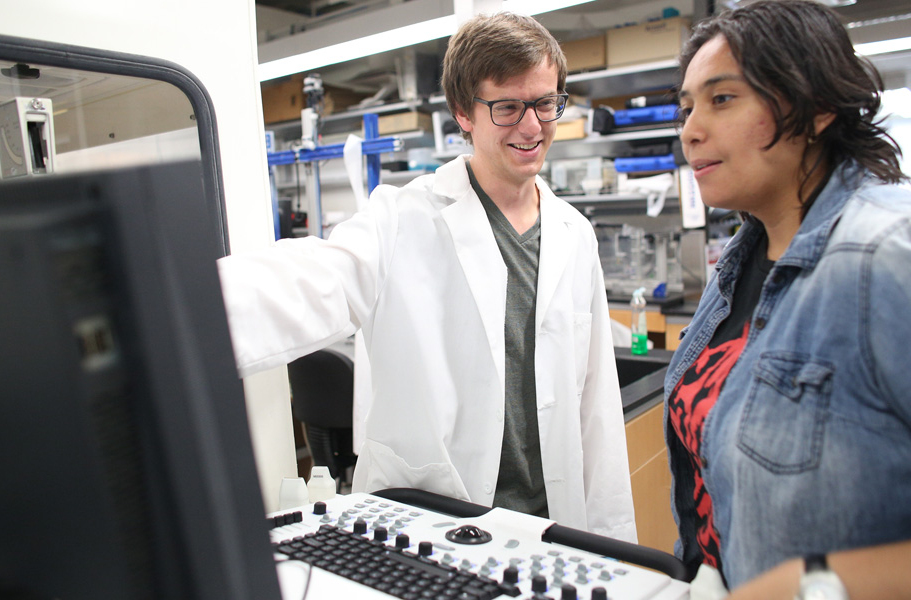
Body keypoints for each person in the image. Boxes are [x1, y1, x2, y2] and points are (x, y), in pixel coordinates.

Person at [218, 11, 637, 542]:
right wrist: (164, 308)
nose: (533, 126)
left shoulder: (574, 233)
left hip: (549, 529)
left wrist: (614, 542)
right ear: (463, 112)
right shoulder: (401, 219)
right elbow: (309, 280)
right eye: (508, 107)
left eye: (545, 103)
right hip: (435, 523)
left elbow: (597, 409)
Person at [665, 1, 911, 597]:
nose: (690, 130)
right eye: (687, 108)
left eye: (722, 99)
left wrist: (816, 584)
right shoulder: (739, 265)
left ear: (815, 109)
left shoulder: (896, 256)